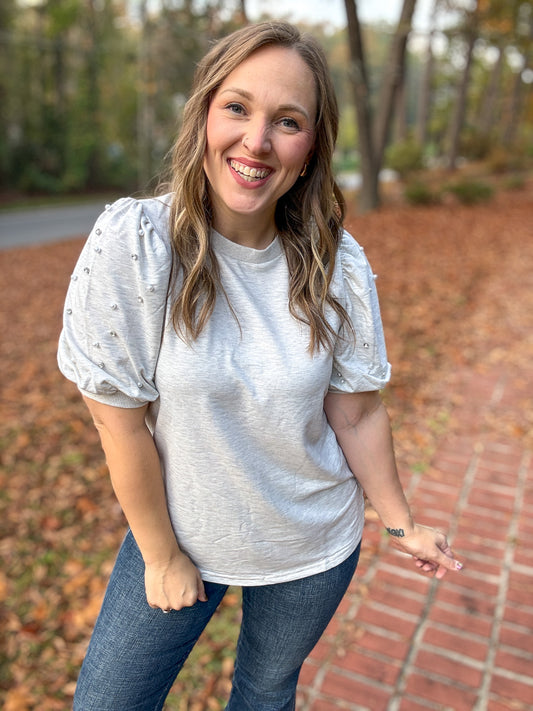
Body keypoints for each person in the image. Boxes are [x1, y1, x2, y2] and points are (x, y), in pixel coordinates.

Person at [58, 20, 463, 711]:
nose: (256, 141)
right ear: (204, 118)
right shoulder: (137, 244)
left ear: (308, 151)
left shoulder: (336, 262)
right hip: (178, 536)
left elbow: (356, 410)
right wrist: (159, 554)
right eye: (237, 108)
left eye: (287, 121)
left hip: (310, 545)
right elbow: (116, 422)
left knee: (266, 693)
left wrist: (400, 521)